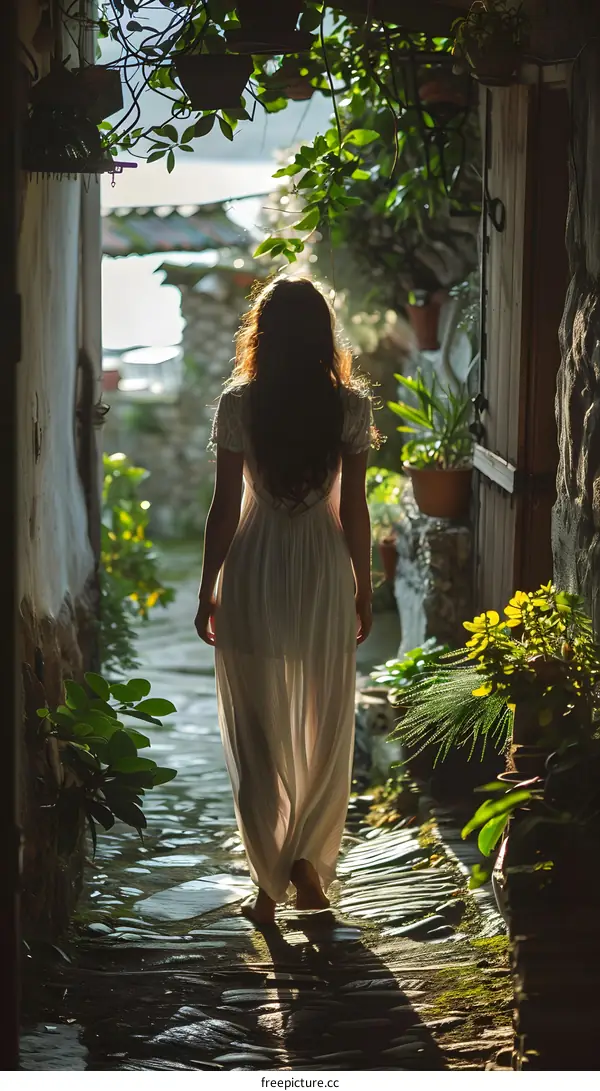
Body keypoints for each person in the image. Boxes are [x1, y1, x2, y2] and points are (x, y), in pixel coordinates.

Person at [194, 275, 374, 926]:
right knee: (324, 724)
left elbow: (222, 508)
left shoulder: (240, 403)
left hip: (255, 563)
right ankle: (304, 866)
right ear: (324, 333)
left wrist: (207, 587)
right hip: (323, 569)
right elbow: (353, 508)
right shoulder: (349, 407)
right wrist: (364, 589)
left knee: (256, 728)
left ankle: (269, 886)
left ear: (262, 334)